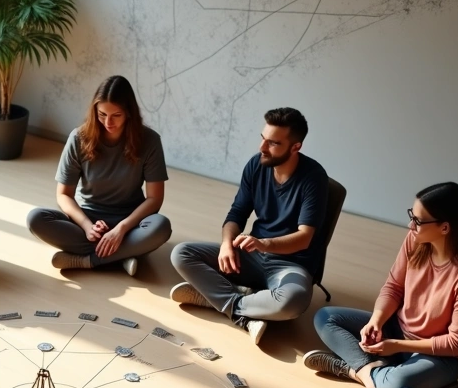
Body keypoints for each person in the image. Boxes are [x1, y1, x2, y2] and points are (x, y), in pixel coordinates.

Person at [304, 182, 458, 388]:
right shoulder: (415, 240)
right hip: (397, 331)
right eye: (412, 216)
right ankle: (371, 372)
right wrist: (376, 321)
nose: (411, 226)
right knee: (325, 317)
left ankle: (352, 369)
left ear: (445, 228)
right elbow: (393, 287)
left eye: (418, 221)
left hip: (439, 356)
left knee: (394, 386)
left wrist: (397, 346)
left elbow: (457, 343)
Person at [169, 107, 328, 345]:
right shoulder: (256, 165)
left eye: (273, 143)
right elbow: (236, 214)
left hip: (290, 264)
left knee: (292, 301)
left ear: (295, 147)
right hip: (251, 255)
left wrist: (264, 243)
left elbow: (304, 237)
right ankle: (246, 308)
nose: (262, 148)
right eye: (263, 139)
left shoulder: (314, 178)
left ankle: (217, 300)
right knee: (181, 253)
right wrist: (226, 245)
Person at [27, 75, 171, 277]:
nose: (108, 122)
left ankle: (87, 260)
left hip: (129, 222)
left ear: (129, 113)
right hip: (87, 217)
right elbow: (63, 195)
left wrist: (120, 230)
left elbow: (155, 199)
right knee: (35, 218)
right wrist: (87, 226)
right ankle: (123, 256)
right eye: (102, 114)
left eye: (116, 115)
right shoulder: (78, 138)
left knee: (161, 226)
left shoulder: (150, 141)